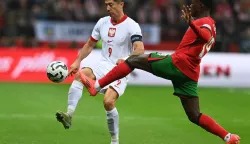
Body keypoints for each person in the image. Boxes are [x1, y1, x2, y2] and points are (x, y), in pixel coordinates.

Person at [79, 0, 241, 143]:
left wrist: (191, 23)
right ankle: (228, 137)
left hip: (178, 64)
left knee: (133, 59)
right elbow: (207, 39)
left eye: (194, 2)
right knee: (194, 115)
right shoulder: (213, 24)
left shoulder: (203, 22)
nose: (191, 4)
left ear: (202, 5)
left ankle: (97, 86)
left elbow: (204, 36)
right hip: (190, 73)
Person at [56, 0, 144, 144]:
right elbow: (90, 44)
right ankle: (69, 115)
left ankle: (114, 141)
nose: (108, 8)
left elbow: (139, 49)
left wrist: (127, 59)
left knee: (108, 102)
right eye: (106, 5)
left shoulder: (132, 25)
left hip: (120, 70)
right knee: (80, 75)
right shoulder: (102, 22)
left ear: (121, 4)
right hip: (102, 65)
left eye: (111, 4)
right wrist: (77, 61)